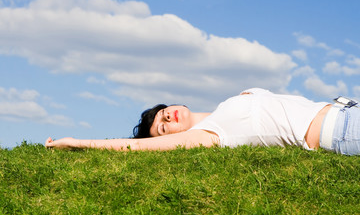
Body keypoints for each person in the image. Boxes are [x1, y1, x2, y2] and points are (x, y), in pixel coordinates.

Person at [45, 88, 360, 155]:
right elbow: (132, 147)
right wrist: (75, 141)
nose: (167, 117)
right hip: (342, 132)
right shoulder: (207, 134)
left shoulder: (226, 105)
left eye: (163, 113)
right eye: (163, 128)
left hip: (348, 109)